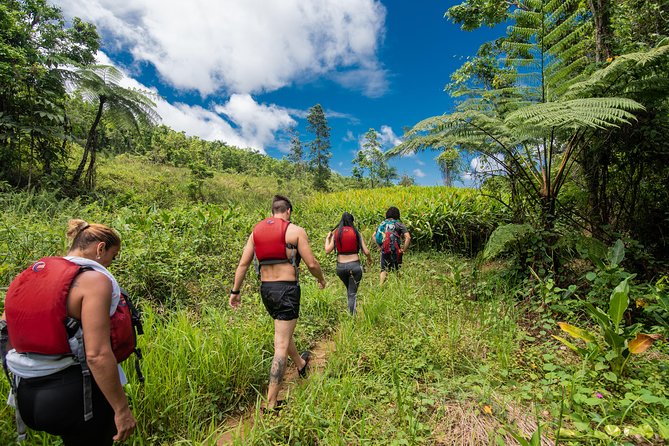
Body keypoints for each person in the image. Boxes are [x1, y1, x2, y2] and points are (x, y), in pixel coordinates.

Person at [1, 219, 136, 445]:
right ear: (100, 249)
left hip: (25, 393)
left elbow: (6, 330)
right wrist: (122, 410)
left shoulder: (32, 274)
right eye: (113, 257)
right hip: (73, 396)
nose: (111, 265)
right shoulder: (94, 281)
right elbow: (97, 354)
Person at [229, 195, 326, 410]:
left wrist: (235, 291)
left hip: (266, 291)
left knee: (282, 332)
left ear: (273, 211)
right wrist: (321, 279)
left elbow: (243, 264)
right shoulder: (295, 231)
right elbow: (311, 262)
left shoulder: (256, 232)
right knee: (280, 344)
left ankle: (300, 365)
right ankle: (271, 402)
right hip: (287, 291)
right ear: (288, 211)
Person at [324, 212, 372, 315]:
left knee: (350, 291)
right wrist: (369, 260)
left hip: (340, 268)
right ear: (352, 222)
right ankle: (352, 316)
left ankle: (351, 311)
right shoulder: (356, 232)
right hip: (355, 266)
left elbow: (327, 250)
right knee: (352, 293)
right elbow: (366, 251)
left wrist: (327, 239)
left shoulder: (337, 233)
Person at [375, 206, 411, 284]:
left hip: (384, 249)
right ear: (397, 215)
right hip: (395, 249)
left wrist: (379, 247)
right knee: (396, 268)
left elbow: (373, 236)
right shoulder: (399, 224)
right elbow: (408, 237)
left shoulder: (382, 224)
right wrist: (403, 250)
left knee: (383, 269)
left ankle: (381, 286)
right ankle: (398, 286)